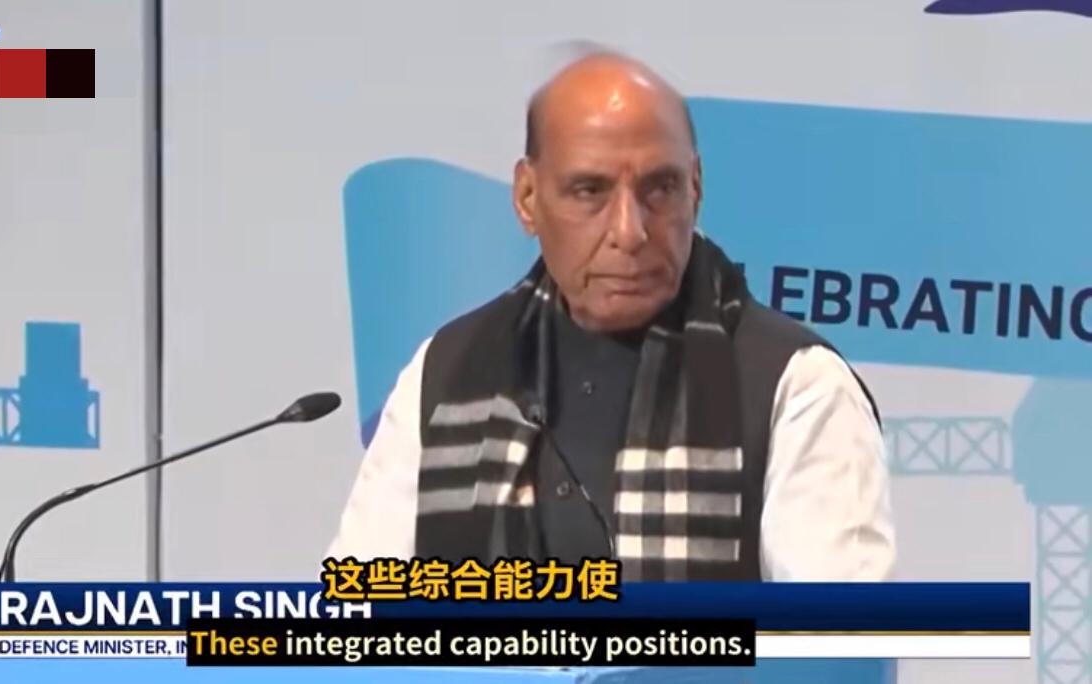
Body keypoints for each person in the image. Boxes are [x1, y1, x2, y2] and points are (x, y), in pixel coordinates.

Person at [328, 51, 895, 581]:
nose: (630, 231)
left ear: (696, 188)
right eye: (589, 191)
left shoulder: (796, 384)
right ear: (527, 198)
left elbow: (840, 638)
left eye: (660, 188)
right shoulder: (446, 372)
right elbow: (354, 611)